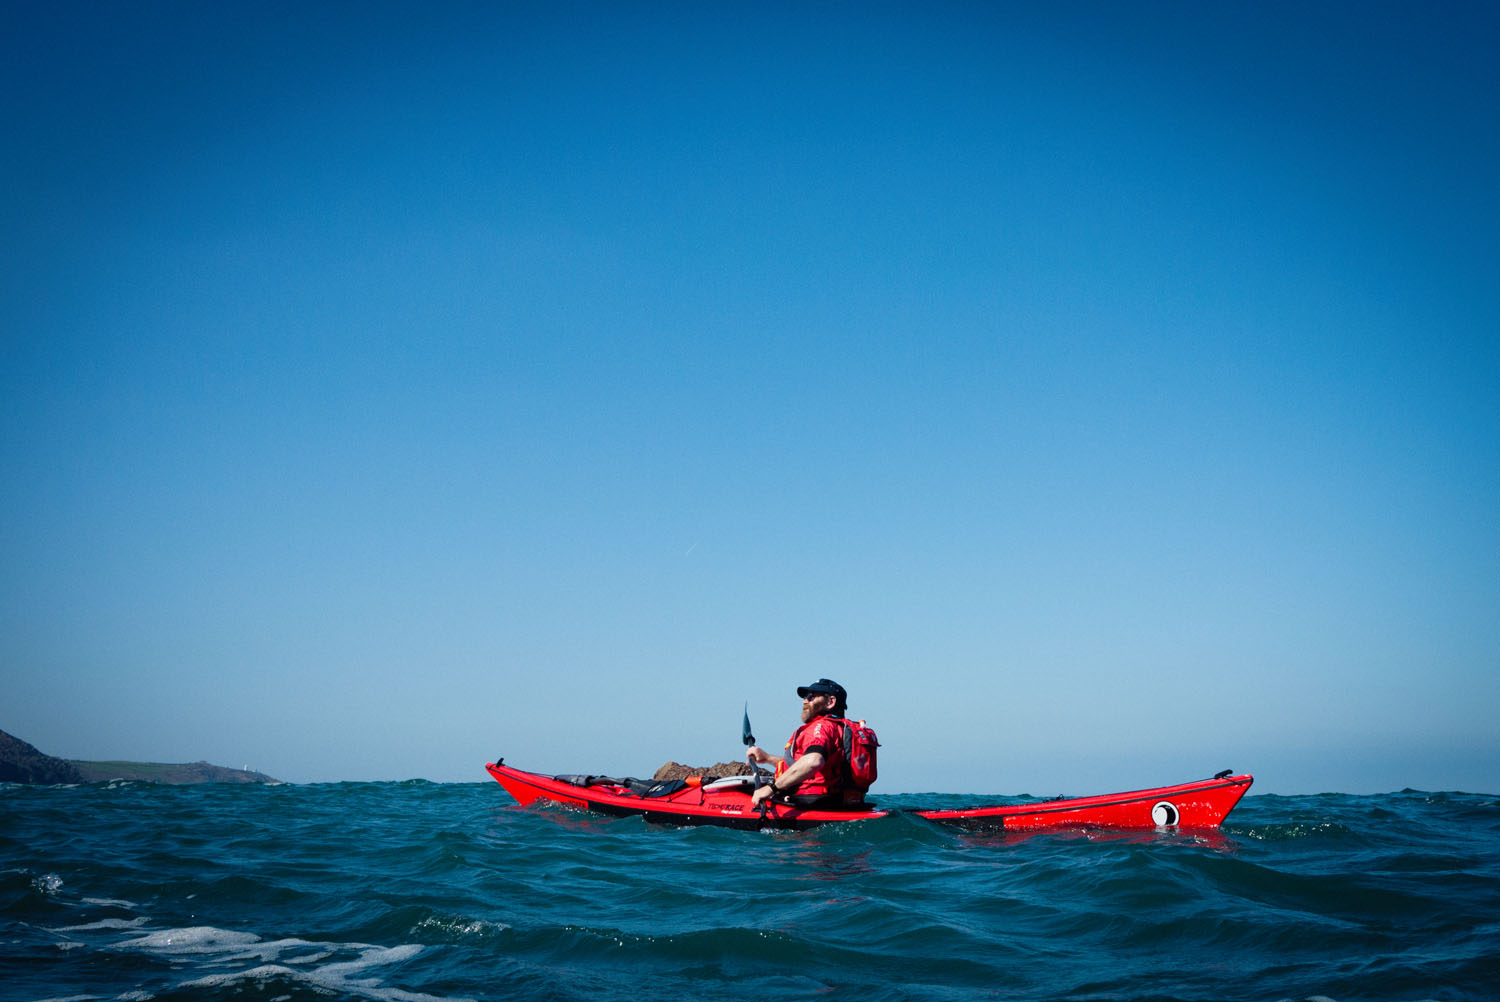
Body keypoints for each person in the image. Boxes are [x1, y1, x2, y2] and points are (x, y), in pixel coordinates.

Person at [746, 678, 863, 809]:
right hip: (843, 803)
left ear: (830, 702)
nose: (805, 701)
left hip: (813, 804)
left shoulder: (821, 727)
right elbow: (808, 766)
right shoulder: (843, 729)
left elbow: (813, 762)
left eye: (811, 696)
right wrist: (767, 759)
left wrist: (771, 788)